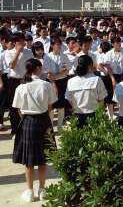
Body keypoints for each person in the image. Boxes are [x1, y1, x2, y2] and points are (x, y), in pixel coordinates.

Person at [12, 58, 57, 203]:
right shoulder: (46, 85)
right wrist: (43, 117)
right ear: (37, 68)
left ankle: (30, 192)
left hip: (27, 122)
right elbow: (50, 107)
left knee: (29, 161)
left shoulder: (21, 87)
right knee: (43, 159)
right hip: (44, 121)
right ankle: (42, 190)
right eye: (41, 67)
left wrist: (27, 118)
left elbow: (18, 109)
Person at [65, 55, 107, 128]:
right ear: (90, 66)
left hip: (77, 115)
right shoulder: (97, 79)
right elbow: (101, 100)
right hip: (94, 115)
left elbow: (69, 99)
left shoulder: (70, 81)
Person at [5, 33, 34, 136]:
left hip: (26, 80)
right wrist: (18, 52)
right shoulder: (9, 52)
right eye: (20, 41)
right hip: (14, 80)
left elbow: (32, 66)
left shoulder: (29, 52)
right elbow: (12, 66)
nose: (22, 43)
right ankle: (15, 129)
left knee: (26, 104)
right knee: (14, 105)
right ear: (15, 42)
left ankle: (26, 127)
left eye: (23, 40)